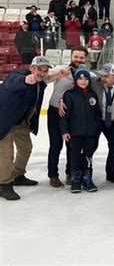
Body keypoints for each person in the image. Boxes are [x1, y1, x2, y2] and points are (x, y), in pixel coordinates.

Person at [0, 56, 63, 200]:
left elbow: (46, 78)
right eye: (39, 69)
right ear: (31, 68)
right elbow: (13, 83)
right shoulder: (17, 75)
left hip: (20, 122)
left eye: (45, 70)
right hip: (4, 121)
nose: (42, 73)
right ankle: (4, 184)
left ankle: (18, 175)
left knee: (26, 148)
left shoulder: (40, 81)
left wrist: (59, 74)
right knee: (6, 154)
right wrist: (27, 80)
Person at [49, 46, 89, 187]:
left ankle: (71, 173)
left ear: (85, 58)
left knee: (72, 146)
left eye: (81, 57)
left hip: (72, 115)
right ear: (71, 56)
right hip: (55, 112)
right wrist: (58, 75)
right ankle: (53, 175)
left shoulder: (85, 73)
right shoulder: (61, 68)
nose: (78, 60)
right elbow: (45, 79)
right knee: (55, 145)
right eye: (76, 57)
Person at [60, 67, 101, 193]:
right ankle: (75, 180)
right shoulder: (69, 95)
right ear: (76, 80)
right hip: (75, 133)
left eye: (86, 79)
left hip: (90, 134)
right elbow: (64, 116)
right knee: (75, 156)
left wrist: (96, 129)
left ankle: (87, 179)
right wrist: (64, 131)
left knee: (88, 156)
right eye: (80, 78)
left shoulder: (93, 95)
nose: (83, 81)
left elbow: (97, 114)